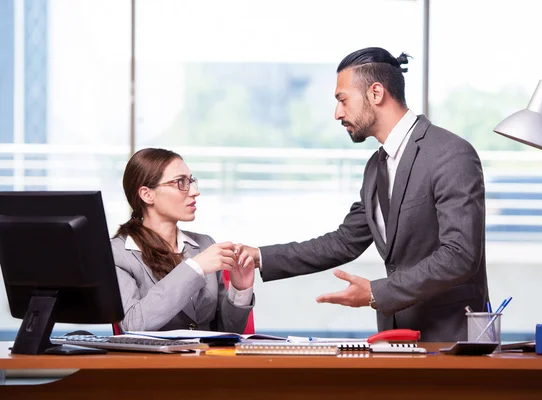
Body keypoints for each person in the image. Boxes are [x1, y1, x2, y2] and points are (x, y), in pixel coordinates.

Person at [236, 47, 488, 342]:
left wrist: (374, 292)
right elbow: (345, 241)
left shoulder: (450, 153)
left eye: (342, 100)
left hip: (452, 340)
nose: (337, 113)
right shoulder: (376, 166)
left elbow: (459, 255)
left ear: (376, 93)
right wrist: (260, 257)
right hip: (397, 336)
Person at [112, 148, 255, 333]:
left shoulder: (204, 245)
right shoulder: (118, 254)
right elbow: (133, 324)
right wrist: (195, 268)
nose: (195, 192)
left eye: (191, 181)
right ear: (147, 194)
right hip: (153, 362)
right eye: (181, 182)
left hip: (205, 361)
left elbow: (226, 332)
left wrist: (239, 290)